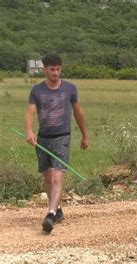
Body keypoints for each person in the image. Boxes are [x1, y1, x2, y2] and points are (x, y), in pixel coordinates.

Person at [25, 53, 89, 233]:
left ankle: (50, 214)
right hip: (43, 138)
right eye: (52, 69)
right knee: (47, 176)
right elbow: (30, 112)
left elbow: (79, 113)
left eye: (58, 69)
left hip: (63, 137)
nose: (55, 72)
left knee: (57, 176)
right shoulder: (36, 90)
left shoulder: (70, 89)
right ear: (45, 70)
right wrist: (29, 131)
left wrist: (85, 136)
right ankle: (58, 210)